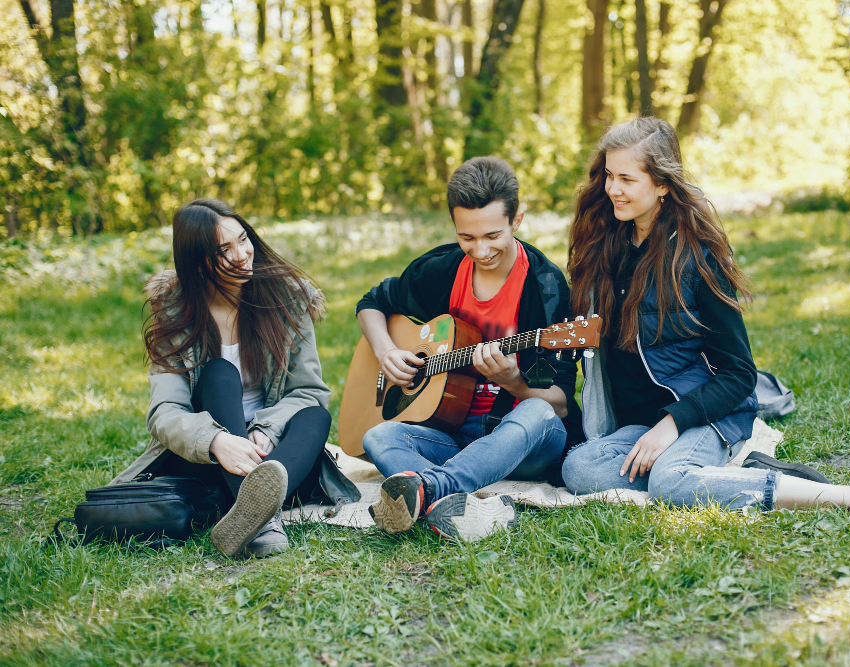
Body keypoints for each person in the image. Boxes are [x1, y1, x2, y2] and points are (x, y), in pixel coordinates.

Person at [561, 118, 850, 523]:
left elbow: (739, 374)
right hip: (642, 424)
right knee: (579, 468)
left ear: (662, 185)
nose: (612, 189)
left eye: (626, 178)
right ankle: (724, 477)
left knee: (668, 483)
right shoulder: (606, 248)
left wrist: (673, 424)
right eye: (608, 175)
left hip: (705, 413)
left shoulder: (696, 257)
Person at [357, 157, 582, 541]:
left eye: (493, 235)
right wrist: (386, 352)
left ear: (517, 220)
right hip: (452, 432)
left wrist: (513, 382)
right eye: (467, 237)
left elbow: (558, 403)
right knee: (376, 436)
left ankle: (430, 489)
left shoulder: (545, 288)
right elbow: (373, 303)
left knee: (536, 413)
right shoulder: (442, 269)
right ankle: (451, 504)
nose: (480, 250)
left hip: (522, 441)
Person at [139, 198, 332, 557]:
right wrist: (216, 441)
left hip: (272, 450)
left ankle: (250, 510)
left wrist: (268, 429)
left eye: (244, 239)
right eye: (224, 250)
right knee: (218, 374)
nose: (243, 254)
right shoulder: (175, 314)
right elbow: (163, 413)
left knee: (317, 416)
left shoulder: (288, 299)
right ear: (198, 264)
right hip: (208, 458)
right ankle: (264, 516)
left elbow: (308, 391)